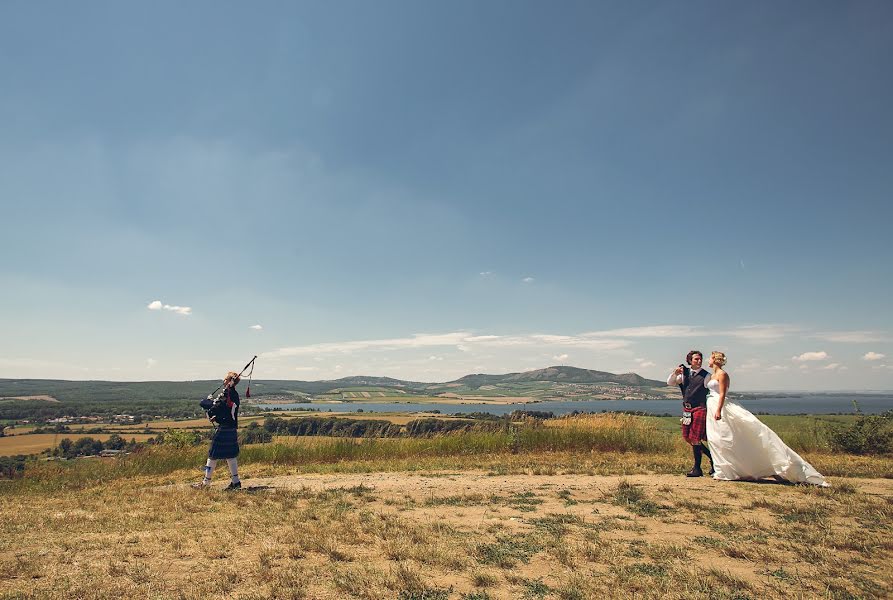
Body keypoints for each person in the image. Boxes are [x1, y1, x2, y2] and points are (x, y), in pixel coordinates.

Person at [705, 351, 829, 486]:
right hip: (711, 405)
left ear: (715, 360)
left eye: (710, 358)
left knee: (728, 437)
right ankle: (724, 470)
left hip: (721, 406)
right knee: (717, 439)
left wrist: (718, 410)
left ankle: (773, 467)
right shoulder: (712, 375)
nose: (708, 360)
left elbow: (723, 394)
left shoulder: (723, 375)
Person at [667, 350, 714, 477]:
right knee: (688, 438)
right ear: (689, 361)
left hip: (700, 408)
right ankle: (712, 459)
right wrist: (674, 373)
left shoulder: (706, 375)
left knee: (695, 438)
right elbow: (670, 383)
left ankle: (697, 469)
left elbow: (712, 391)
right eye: (696, 359)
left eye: (700, 359)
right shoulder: (684, 373)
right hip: (687, 410)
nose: (699, 361)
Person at [193, 371, 242, 490]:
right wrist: (218, 417)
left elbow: (214, 408)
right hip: (230, 427)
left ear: (230, 381)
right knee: (230, 455)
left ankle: (206, 483)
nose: (223, 381)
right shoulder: (234, 394)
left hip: (224, 428)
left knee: (212, 455)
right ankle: (236, 482)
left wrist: (207, 402)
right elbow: (226, 411)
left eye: (226, 379)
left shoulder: (227, 394)